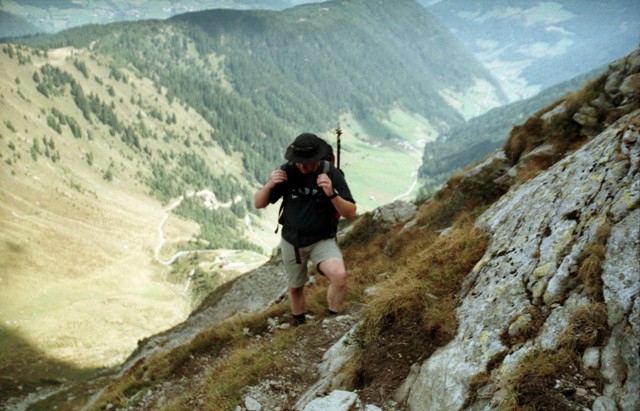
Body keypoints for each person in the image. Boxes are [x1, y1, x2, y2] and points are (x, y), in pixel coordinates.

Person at [254, 132, 357, 326]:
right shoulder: (287, 172)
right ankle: (298, 322)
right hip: (292, 240)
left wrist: (331, 194)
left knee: (339, 275)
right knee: (295, 286)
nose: (302, 165)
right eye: (298, 161)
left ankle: (332, 321)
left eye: (306, 162)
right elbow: (259, 203)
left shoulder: (331, 174)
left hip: (322, 239)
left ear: (317, 159)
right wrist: (269, 184)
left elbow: (350, 212)